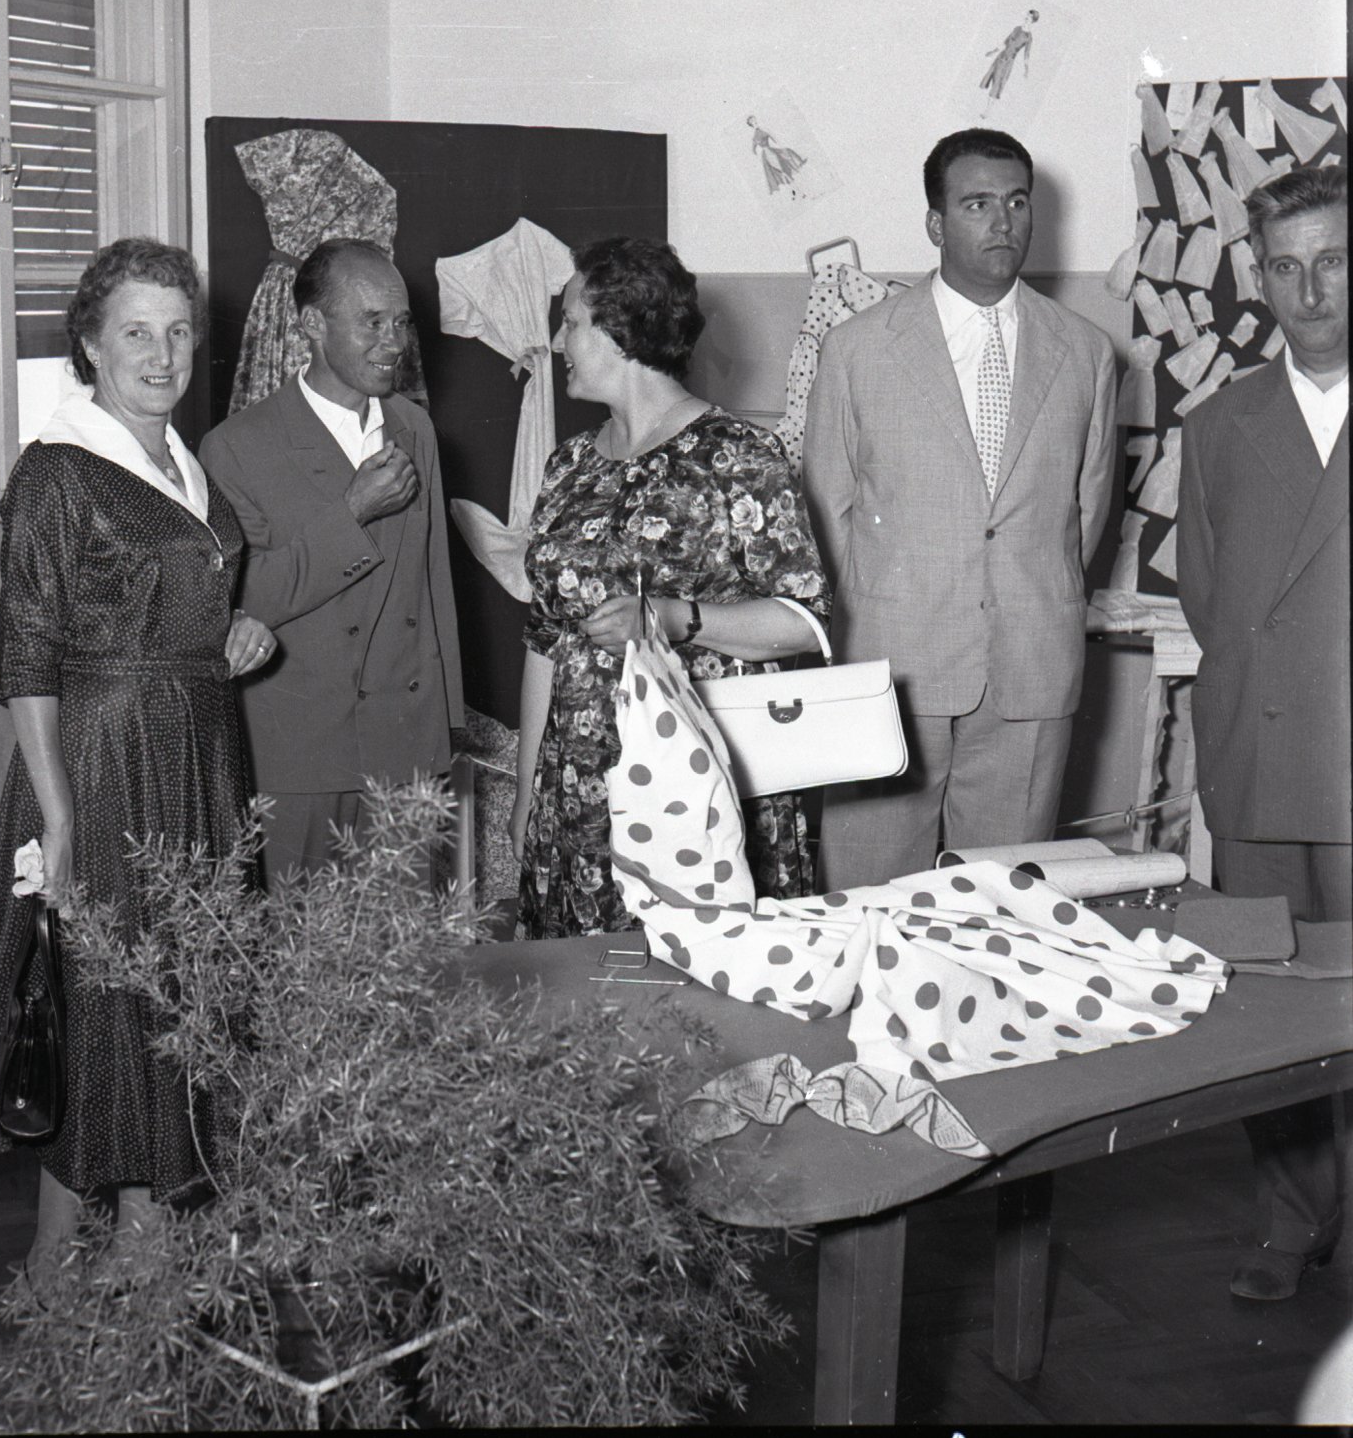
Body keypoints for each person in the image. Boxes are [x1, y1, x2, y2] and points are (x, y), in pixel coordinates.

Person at [0, 238, 274, 1287]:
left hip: (193, 748)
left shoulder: (177, 459)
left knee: (171, 986)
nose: (162, 352)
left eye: (178, 330)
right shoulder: (57, 468)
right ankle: (58, 1254)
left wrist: (238, 631)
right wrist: (58, 817)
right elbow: (29, 659)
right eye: (136, 331)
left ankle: (142, 1233)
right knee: (100, 991)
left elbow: (180, 597)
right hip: (101, 759)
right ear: (89, 344)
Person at [803, 128, 1116, 888]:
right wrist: (874, 622)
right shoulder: (858, 348)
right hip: (891, 666)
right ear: (935, 223)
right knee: (871, 895)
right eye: (977, 204)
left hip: (1030, 667)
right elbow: (825, 510)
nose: (1002, 222)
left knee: (1008, 905)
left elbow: (1085, 511)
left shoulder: (1085, 351)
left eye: (1017, 202)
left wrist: (1026, 597)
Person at [509, 236, 830, 939]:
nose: (558, 342)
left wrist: (673, 617)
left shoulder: (738, 456)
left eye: (571, 323)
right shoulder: (569, 465)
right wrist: (528, 793)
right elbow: (543, 640)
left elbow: (804, 621)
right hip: (579, 790)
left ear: (620, 330)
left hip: (698, 785)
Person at [1178, 163, 1349, 1301]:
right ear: (1258, 275)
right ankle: (1291, 1226)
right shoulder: (1219, 424)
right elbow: (1210, 598)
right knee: (1274, 1014)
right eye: (1286, 267)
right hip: (1261, 756)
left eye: (1333, 260)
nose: (1310, 291)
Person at [199, 238, 463, 883]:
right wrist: (352, 513)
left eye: (401, 322)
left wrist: (445, 727)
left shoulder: (415, 429)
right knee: (298, 939)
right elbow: (241, 596)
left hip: (405, 746)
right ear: (312, 324)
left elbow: (434, 586)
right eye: (372, 322)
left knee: (405, 941)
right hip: (298, 756)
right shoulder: (235, 447)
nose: (394, 342)